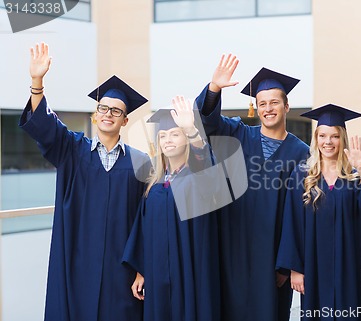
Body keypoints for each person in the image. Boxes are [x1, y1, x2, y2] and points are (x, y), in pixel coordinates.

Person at [19, 42, 151, 321]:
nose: (108, 114)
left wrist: (143, 267)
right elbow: (45, 127)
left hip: (122, 269)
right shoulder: (72, 150)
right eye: (103, 108)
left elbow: (147, 219)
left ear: (125, 121)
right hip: (77, 263)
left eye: (116, 111)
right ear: (95, 114)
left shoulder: (141, 163)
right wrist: (37, 82)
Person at [194, 54, 310, 321]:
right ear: (255, 108)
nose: (268, 108)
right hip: (230, 250)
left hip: (272, 258)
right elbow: (207, 124)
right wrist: (214, 88)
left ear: (286, 106)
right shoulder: (239, 134)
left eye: (274, 103)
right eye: (262, 104)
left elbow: (299, 214)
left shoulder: (301, 153)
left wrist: (287, 263)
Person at [276, 104, 361, 321]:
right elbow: (292, 223)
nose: (328, 142)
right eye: (323, 136)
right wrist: (296, 269)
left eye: (334, 136)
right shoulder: (303, 176)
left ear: (342, 138)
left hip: (349, 262)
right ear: (316, 138)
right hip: (313, 263)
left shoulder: (354, 176)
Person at [122, 96, 220, 321]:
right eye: (163, 136)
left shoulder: (197, 177)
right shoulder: (154, 186)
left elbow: (207, 167)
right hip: (158, 277)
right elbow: (143, 232)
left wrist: (192, 129)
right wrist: (141, 270)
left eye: (175, 134)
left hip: (191, 272)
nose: (168, 140)